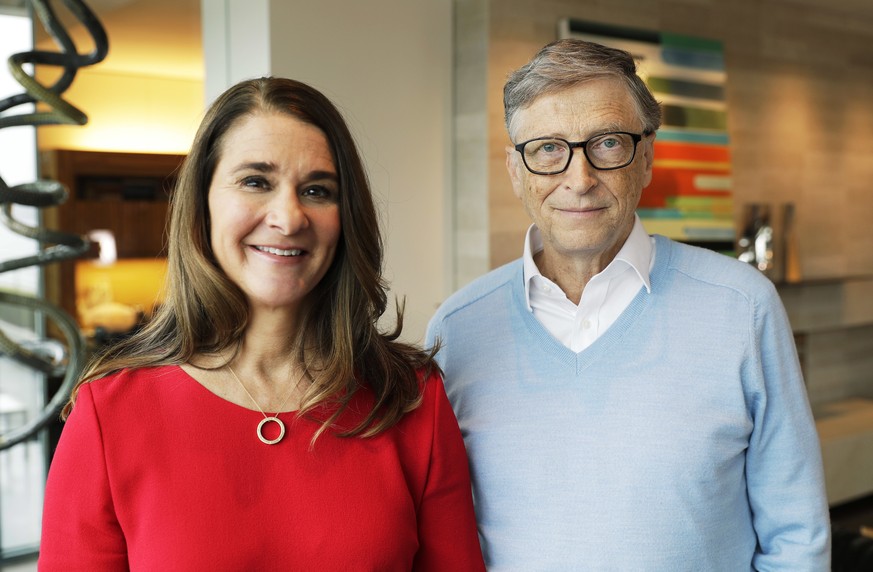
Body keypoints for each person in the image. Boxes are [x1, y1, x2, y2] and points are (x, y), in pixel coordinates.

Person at [39, 77, 485, 571]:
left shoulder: (410, 399)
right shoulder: (110, 413)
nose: (289, 217)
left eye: (317, 190)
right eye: (256, 181)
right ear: (202, 201)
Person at [426, 39, 830, 570]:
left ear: (646, 158)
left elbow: (796, 537)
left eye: (608, 143)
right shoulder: (457, 331)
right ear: (515, 170)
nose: (579, 178)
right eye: (548, 148)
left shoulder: (743, 308)